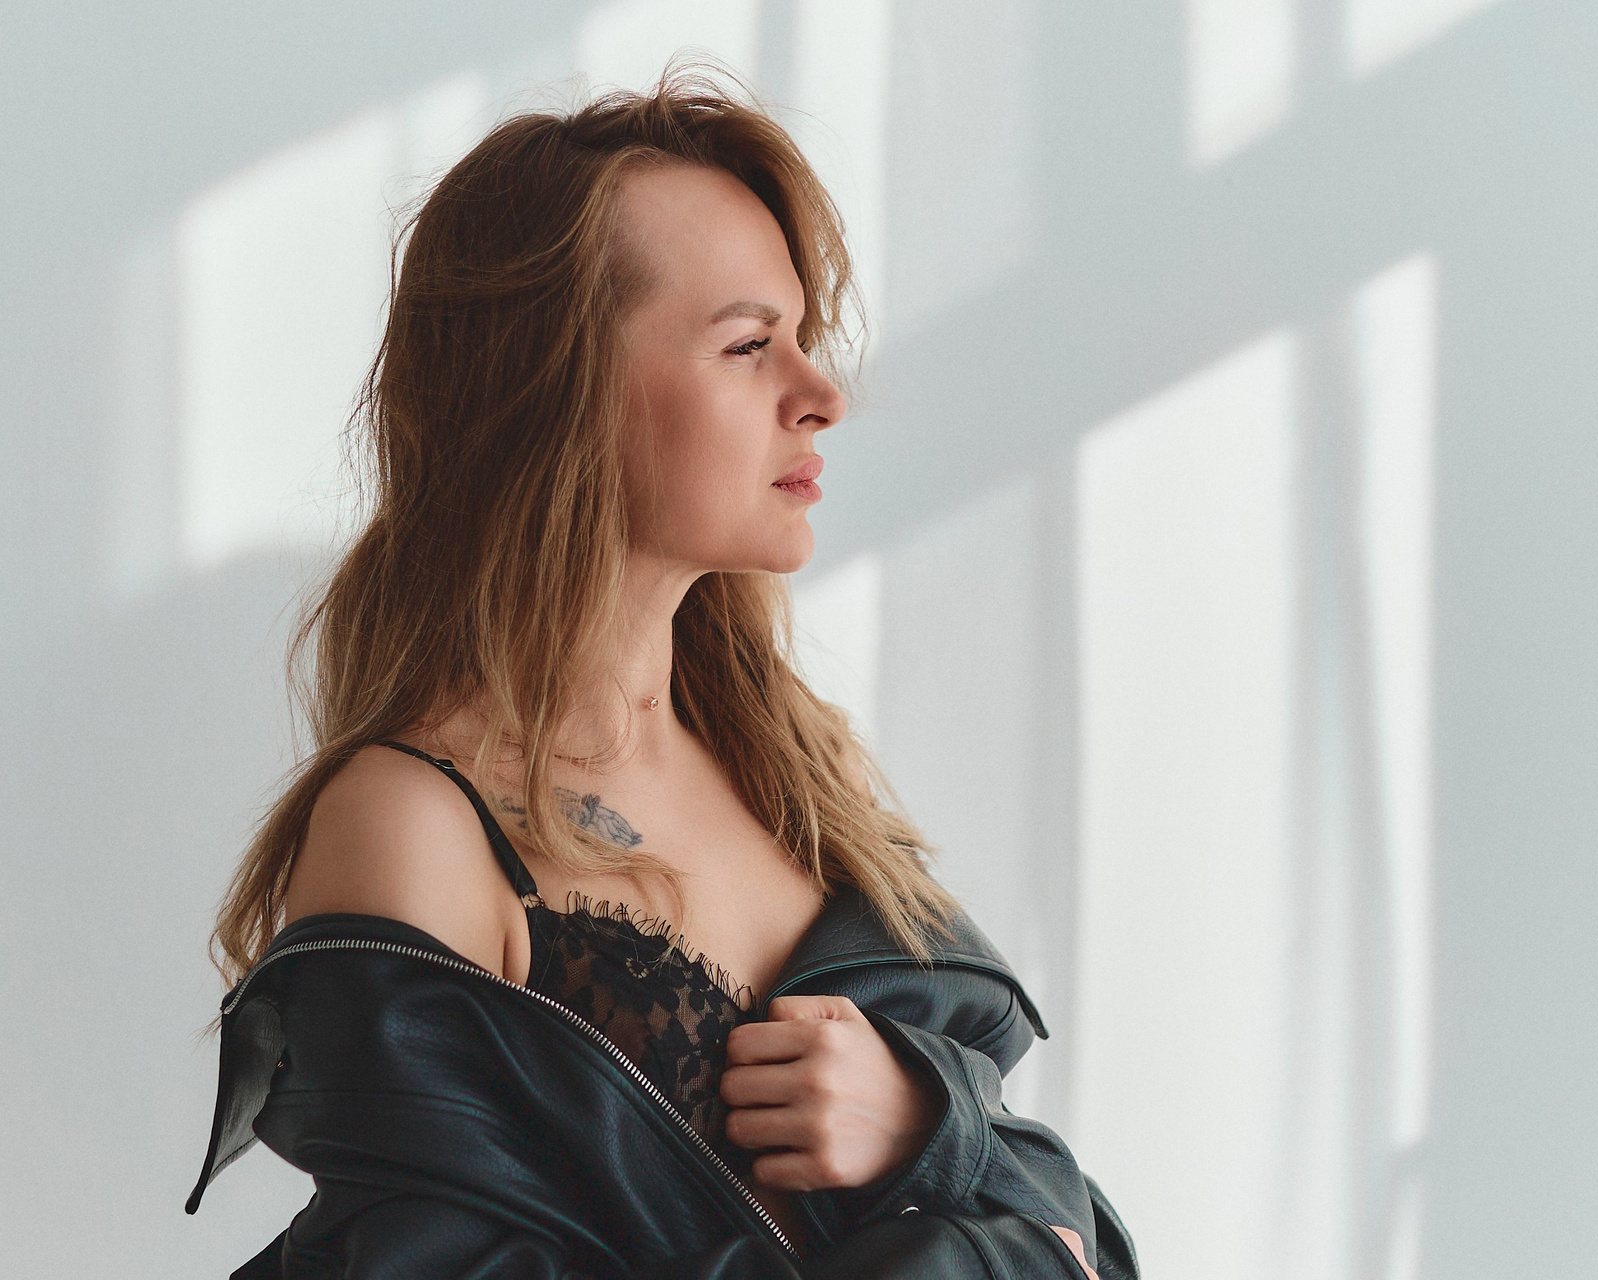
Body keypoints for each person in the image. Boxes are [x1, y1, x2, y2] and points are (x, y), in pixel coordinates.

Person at [184, 73, 1134, 1280]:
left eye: (803, 338)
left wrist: (921, 1122)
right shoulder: (417, 823)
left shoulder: (795, 769)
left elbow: (1082, 1229)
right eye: (748, 346)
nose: (821, 396)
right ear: (558, 390)